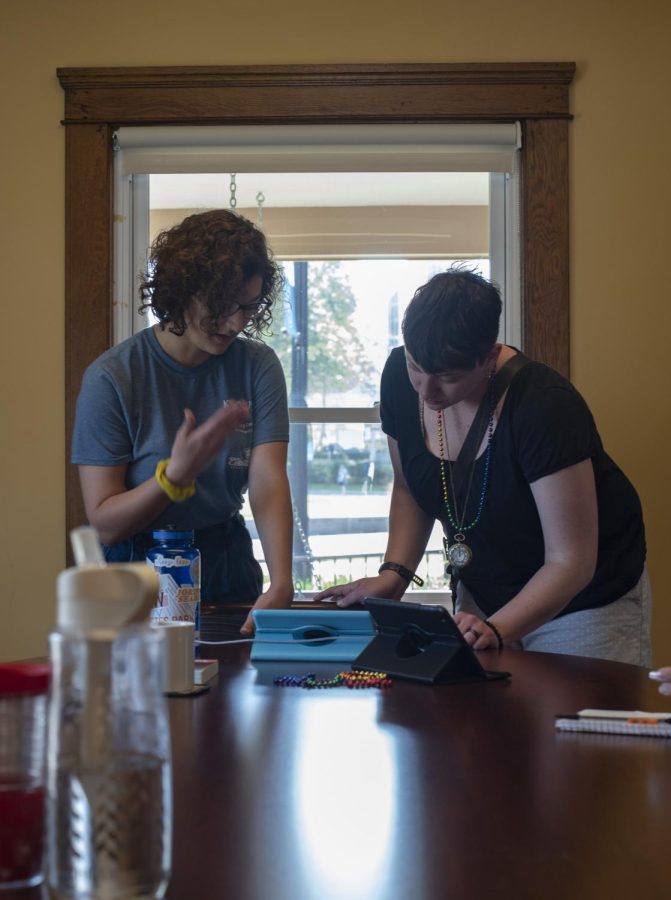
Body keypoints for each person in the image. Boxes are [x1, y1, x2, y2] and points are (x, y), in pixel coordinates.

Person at [315, 268, 651, 665]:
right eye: (416, 367)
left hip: (582, 602)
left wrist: (497, 628)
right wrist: (395, 575)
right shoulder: (399, 378)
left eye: (447, 377)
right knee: (477, 723)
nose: (426, 391)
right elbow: (410, 488)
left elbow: (571, 562)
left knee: (575, 724)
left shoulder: (545, 405)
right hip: (484, 590)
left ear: (489, 356)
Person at [71, 209, 294, 634]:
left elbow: (268, 481)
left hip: (225, 557)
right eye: (221, 306)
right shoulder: (113, 377)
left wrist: (282, 580)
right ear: (183, 289)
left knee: (233, 692)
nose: (236, 323)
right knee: (141, 695)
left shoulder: (257, 366)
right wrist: (175, 476)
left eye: (248, 307)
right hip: (134, 564)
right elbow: (105, 521)